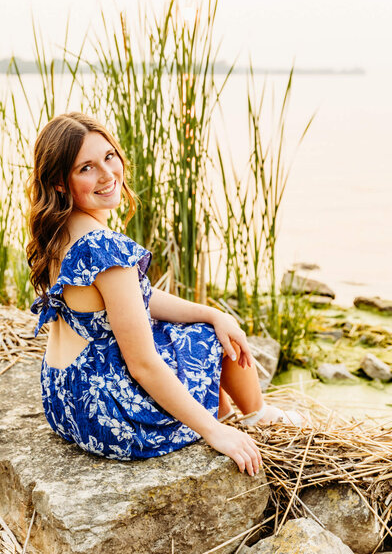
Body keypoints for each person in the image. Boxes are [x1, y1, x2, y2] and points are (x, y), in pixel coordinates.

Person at [28, 112, 303, 477]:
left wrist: (212, 312)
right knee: (210, 341)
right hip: (110, 417)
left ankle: (231, 412)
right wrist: (214, 433)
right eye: (87, 168)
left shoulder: (57, 227)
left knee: (200, 324)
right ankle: (256, 417)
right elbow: (142, 365)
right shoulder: (107, 249)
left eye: (109, 157)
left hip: (65, 400)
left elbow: (133, 300)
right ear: (61, 182)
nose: (108, 174)